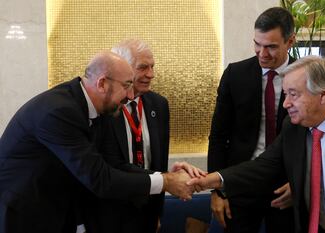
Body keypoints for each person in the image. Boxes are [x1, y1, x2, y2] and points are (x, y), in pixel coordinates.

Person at [191, 55, 325, 233]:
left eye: (294, 95)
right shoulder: (294, 127)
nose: (286, 103)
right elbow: (263, 167)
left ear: (324, 95)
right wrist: (212, 180)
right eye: (286, 94)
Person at [0, 51, 203, 233]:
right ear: (102, 83)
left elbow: (112, 164)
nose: (130, 95)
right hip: (26, 215)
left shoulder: (96, 109)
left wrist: (166, 176)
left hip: (57, 210)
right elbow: (100, 179)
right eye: (126, 86)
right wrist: (166, 182)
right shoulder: (60, 112)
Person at [208, 7, 295, 233]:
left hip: (288, 187)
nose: (262, 53)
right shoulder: (236, 74)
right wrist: (217, 191)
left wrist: (301, 184)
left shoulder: (308, 76)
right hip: (241, 182)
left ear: (290, 41)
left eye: (271, 47)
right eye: (258, 44)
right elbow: (218, 136)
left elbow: (319, 139)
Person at [84, 40, 170, 233]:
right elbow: (107, 164)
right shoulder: (103, 107)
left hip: (146, 211)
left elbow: (159, 162)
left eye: (152, 67)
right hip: (108, 213)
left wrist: (157, 213)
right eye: (143, 68)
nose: (151, 74)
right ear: (123, 69)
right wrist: (170, 180)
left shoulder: (159, 105)